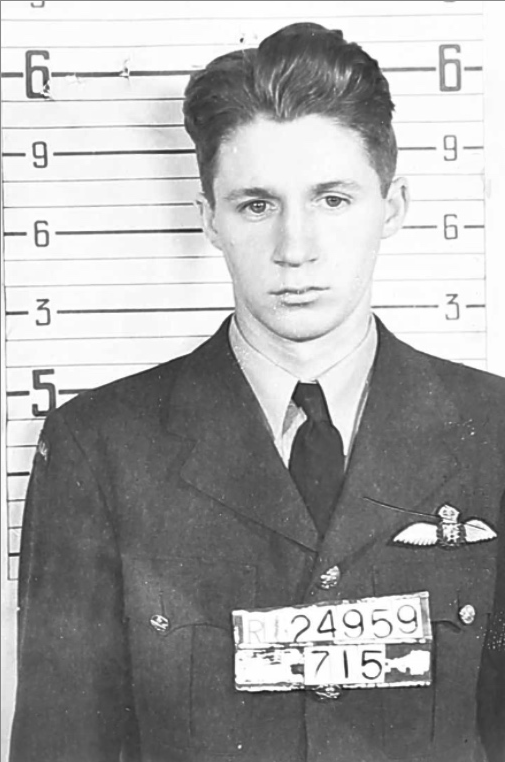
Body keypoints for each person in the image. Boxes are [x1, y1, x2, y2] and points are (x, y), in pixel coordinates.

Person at [9, 22, 504, 762]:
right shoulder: (98, 448)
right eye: (255, 205)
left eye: (332, 199)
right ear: (208, 218)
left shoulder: (494, 431)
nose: (294, 249)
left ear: (393, 206)